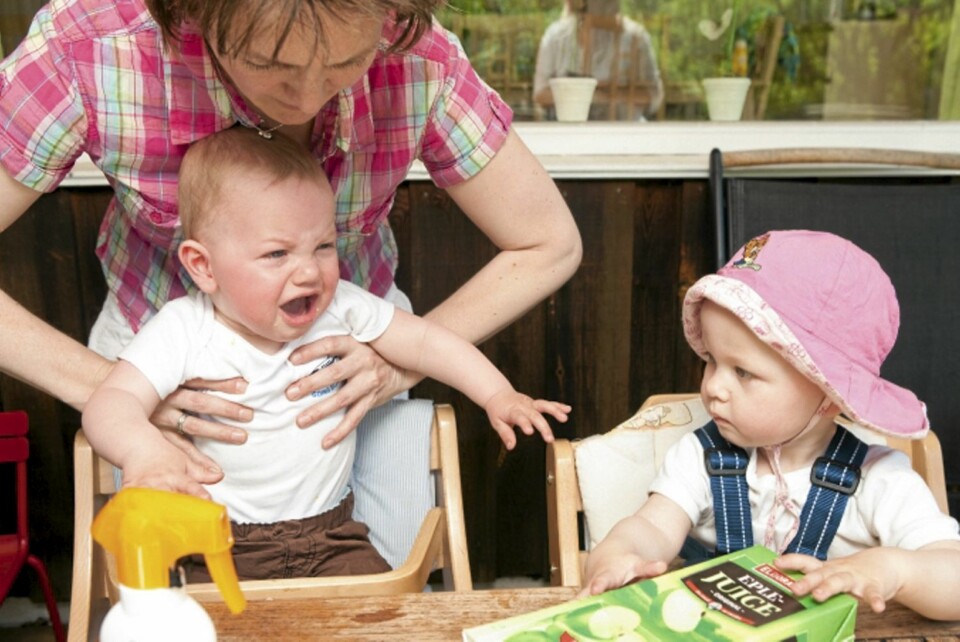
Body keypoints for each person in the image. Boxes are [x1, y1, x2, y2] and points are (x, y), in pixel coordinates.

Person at [0, 0, 582, 478]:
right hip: (152, 351)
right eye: (268, 63)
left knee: (376, 574)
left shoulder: (421, 60)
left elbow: (548, 243)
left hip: (351, 353)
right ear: (192, 14)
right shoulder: (90, 48)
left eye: (345, 61)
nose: (307, 97)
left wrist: (393, 366)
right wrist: (116, 392)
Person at [82, 126, 571, 580]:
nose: (309, 272)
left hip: (334, 538)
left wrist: (497, 394)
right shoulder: (183, 330)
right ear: (203, 266)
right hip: (217, 543)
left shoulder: (341, 307)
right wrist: (143, 452)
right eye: (277, 254)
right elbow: (110, 403)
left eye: (322, 246)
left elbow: (425, 342)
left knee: (382, 618)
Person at [581, 230, 960, 620]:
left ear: (829, 395)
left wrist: (897, 570)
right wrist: (619, 556)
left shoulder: (878, 478)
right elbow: (652, 529)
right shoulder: (699, 457)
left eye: (743, 372)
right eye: (711, 360)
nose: (713, 387)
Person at [533, 0, 664, 120]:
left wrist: (610, 95)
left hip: (624, 133)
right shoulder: (556, 37)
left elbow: (654, 95)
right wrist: (590, 94)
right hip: (571, 135)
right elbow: (540, 94)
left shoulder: (636, 38)